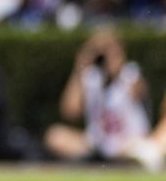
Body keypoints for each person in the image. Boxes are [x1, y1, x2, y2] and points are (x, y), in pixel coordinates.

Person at [44, 30, 159, 170]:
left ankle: (115, 161)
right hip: (98, 144)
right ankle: (103, 161)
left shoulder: (130, 73)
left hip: (129, 143)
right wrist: (79, 68)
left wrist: (116, 67)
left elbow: (139, 92)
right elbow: (70, 111)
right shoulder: (90, 78)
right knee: (55, 136)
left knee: (148, 148)